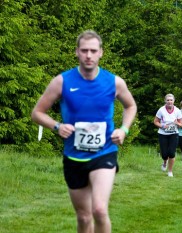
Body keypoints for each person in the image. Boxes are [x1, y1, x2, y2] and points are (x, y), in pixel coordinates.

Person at [31, 30, 137, 233]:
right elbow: (37, 113)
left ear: (101, 53)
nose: (89, 55)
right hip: (74, 157)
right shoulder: (62, 81)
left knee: (99, 210)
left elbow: (130, 106)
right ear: (77, 52)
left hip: (104, 152)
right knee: (83, 217)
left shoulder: (113, 82)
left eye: (93, 51)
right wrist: (57, 126)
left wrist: (124, 129)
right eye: (84, 50)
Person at [154, 94, 182, 177]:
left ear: (174, 101)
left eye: (171, 100)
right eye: (168, 100)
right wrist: (162, 126)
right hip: (163, 134)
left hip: (174, 134)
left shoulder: (177, 111)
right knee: (164, 154)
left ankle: (170, 171)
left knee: (171, 153)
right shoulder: (161, 110)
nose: (169, 101)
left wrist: (177, 123)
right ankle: (164, 162)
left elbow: (181, 124)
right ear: (165, 101)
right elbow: (155, 121)